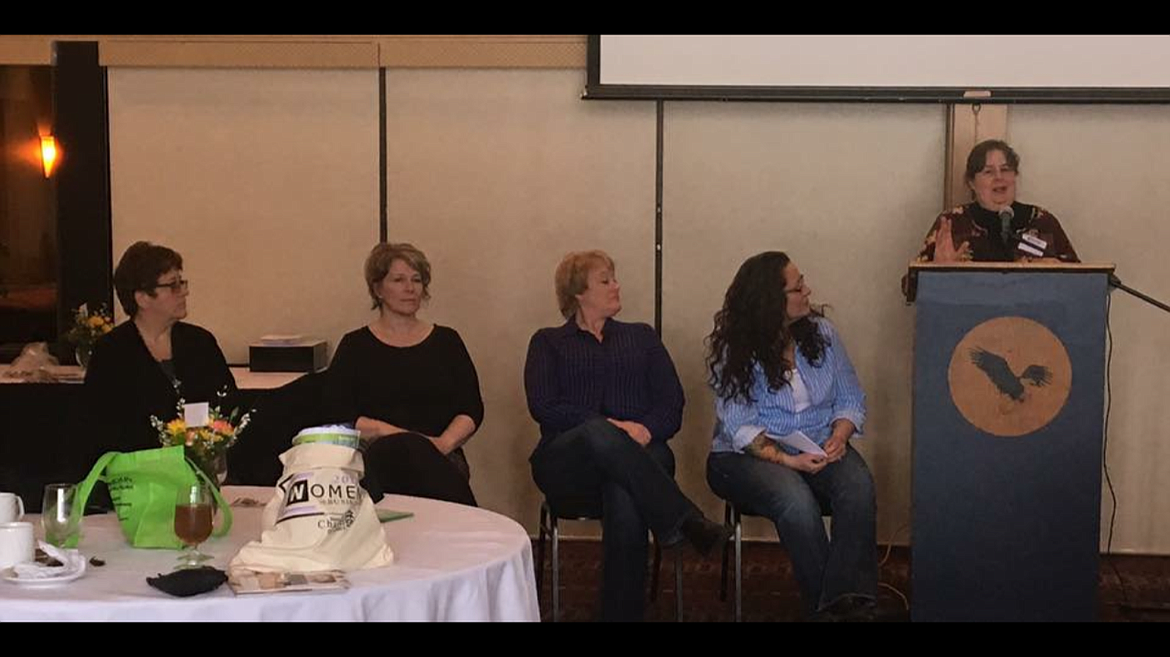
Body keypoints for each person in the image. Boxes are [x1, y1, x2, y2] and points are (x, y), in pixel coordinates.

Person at [524, 249, 730, 622]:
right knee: (594, 432)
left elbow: (672, 402)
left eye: (614, 278)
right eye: (605, 280)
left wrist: (646, 429)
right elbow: (544, 406)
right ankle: (682, 518)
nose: (616, 286)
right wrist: (611, 428)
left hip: (643, 456)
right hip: (568, 464)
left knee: (624, 492)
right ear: (578, 292)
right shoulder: (548, 342)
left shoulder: (642, 338)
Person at [706, 251, 878, 621]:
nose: (808, 290)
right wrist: (788, 460)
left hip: (817, 441)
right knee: (794, 498)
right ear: (771, 300)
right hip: (743, 456)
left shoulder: (823, 334)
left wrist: (841, 435)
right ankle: (828, 611)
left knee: (858, 485)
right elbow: (739, 427)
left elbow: (850, 396)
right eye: (798, 287)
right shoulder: (733, 349)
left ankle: (850, 599)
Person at [326, 243, 481, 507]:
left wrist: (443, 444)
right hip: (374, 456)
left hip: (441, 455)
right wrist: (406, 439)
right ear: (378, 289)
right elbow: (340, 414)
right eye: (398, 280)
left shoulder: (447, 341)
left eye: (416, 280)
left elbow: (472, 408)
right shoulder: (355, 345)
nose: (410, 288)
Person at [86, 241, 236, 454]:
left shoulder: (200, 342)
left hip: (205, 463)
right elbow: (102, 426)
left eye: (182, 283)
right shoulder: (112, 352)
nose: (184, 292)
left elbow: (229, 406)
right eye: (173, 285)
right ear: (143, 298)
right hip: (141, 473)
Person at [912, 139, 1080, 264]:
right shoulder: (952, 223)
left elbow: (1082, 280)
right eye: (988, 172)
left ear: (1015, 176)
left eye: (1006, 170)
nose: (999, 177)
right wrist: (938, 270)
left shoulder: (1043, 221)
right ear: (971, 182)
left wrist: (1058, 269)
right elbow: (910, 287)